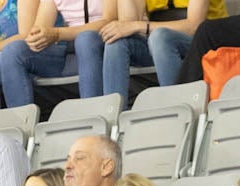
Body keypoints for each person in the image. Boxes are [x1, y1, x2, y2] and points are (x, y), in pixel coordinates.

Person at [77, 0, 226, 109]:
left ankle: (179, 111)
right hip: (158, 44)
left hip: (202, 42)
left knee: (160, 37)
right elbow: (127, 23)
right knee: (116, 40)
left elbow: (194, 26)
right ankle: (113, 121)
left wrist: (140, 26)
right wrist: (134, 25)